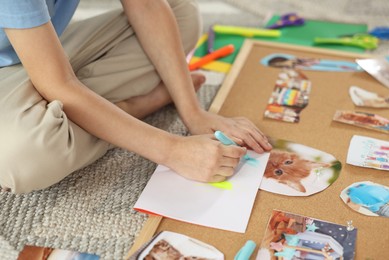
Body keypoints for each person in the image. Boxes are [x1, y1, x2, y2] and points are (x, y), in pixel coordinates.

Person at [0, 0, 272, 194]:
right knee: (21, 158)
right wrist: (172, 150)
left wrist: (192, 112)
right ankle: (129, 107)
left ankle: (71, 115)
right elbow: (59, 83)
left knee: (182, 15)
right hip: (27, 65)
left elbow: (146, 5)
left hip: (40, 45)